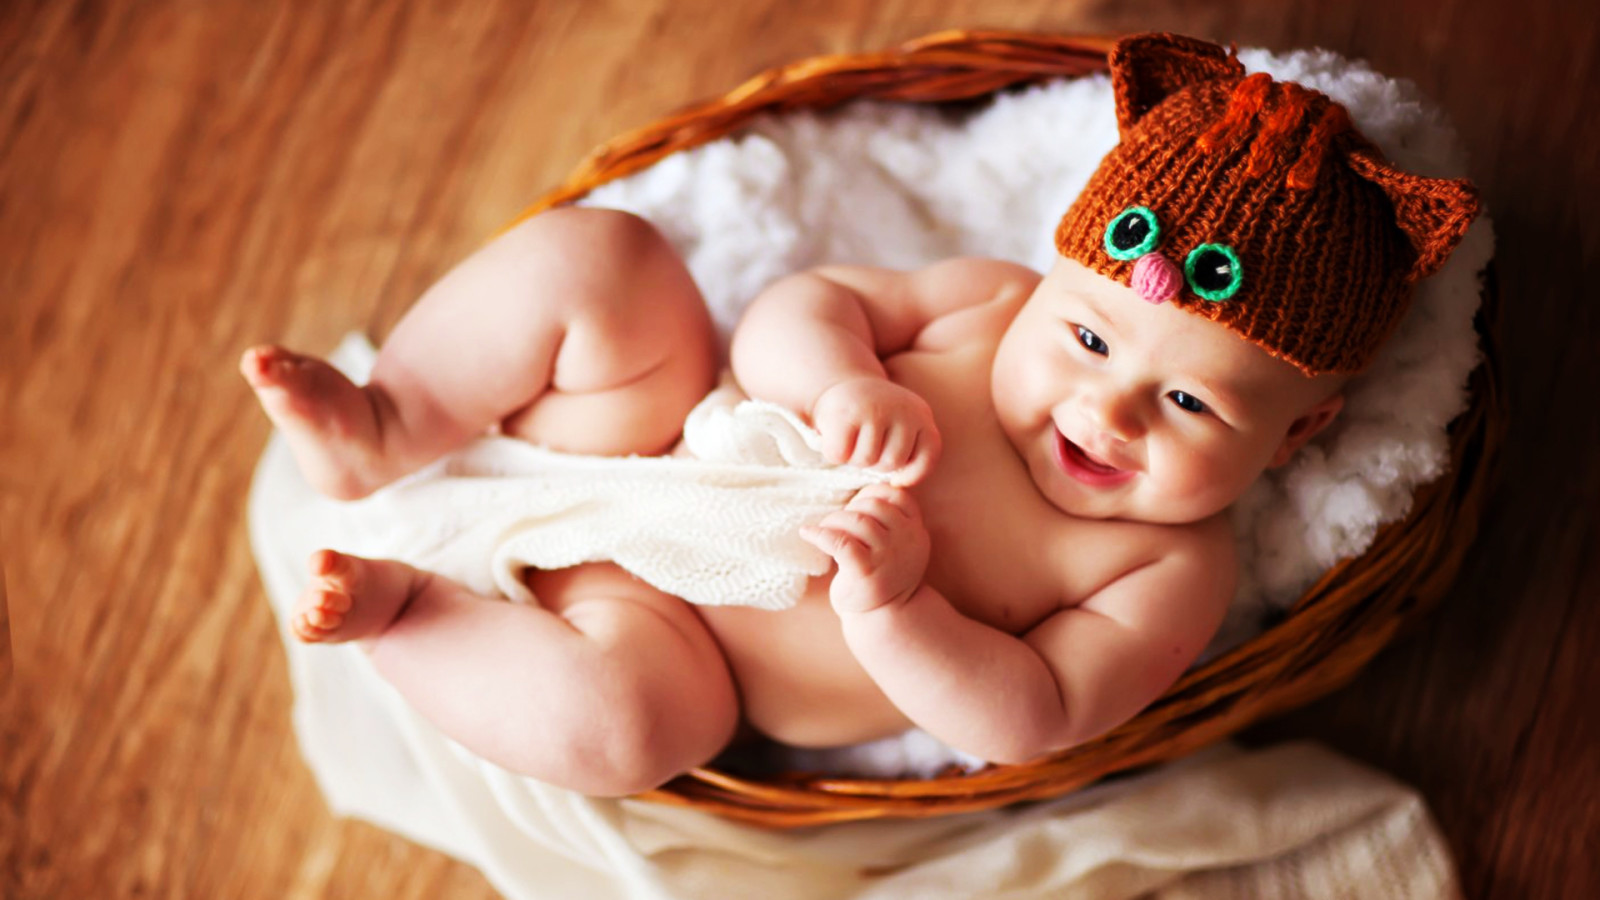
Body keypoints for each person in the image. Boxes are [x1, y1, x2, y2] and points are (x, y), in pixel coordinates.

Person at [241, 33, 1478, 797]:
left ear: (1298, 439)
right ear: (1049, 283)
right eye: (1089, 336)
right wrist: (840, 379)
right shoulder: (987, 309)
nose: (1106, 407)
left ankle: (412, 618)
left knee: (624, 733)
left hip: (676, 639)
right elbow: (810, 298)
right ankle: (387, 420)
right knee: (605, 262)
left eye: (1193, 400)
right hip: (651, 425)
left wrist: (900, 613)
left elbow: (1033, 717)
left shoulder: (1166, 565)